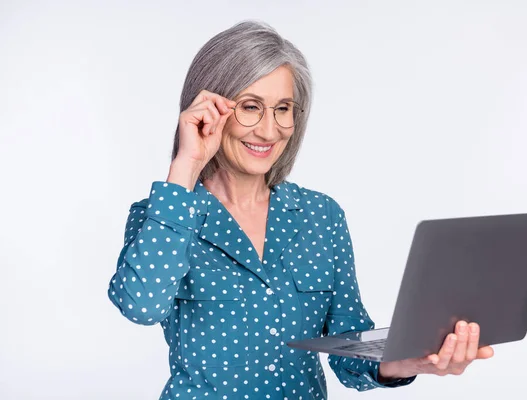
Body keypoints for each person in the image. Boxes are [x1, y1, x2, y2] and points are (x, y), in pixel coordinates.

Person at [107, 20, 494, 400]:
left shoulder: (321, 216)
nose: (268, 130)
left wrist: (409, 361)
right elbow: (141, 305)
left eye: (283, 108)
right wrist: (186, 166)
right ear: (209, 108)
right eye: (250, 107)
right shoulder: (165, 214)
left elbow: (349, 347)